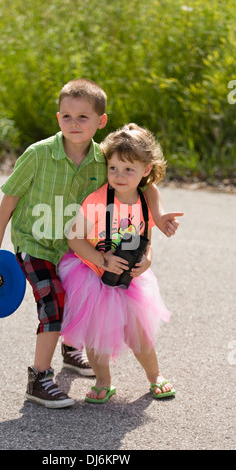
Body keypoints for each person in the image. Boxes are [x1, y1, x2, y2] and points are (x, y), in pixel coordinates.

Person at [0, 79, 181, 408]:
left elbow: (137, 194)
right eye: (67, 116)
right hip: (39, 244)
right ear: (58, 118)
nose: (74, 124)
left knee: (82, 308)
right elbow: (11, 194)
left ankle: (73, 354)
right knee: (56, 304)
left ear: (100, 121)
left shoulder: (103, 159)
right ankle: (40, 378)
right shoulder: (39, 154)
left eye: (83, 117)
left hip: (77, 250)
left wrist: (156, 221)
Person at [59, 123, 183, 403]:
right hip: (93, 272)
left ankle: (155, 376)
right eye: (113, 168)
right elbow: (74, 239)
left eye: (129, 169)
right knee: (97, 334)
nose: (119, 175)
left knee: (140, 333)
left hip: (130, 275)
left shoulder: (144, 200)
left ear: (146, 170)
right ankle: (103, 380)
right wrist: (102, 260)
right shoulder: (97, 200)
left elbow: (145, 238)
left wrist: (147, 261)